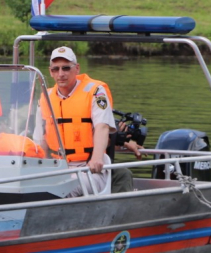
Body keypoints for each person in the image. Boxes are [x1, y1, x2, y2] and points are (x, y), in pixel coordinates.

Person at [40, 47, 140, 195]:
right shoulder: (45, 96)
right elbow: (40, 137)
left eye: (66, 68)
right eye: (56, 69)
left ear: (77, 68)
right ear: (50, 72)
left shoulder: (96, 91)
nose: (61, 74)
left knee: (63, 190)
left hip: (90, 168)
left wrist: (97, 158)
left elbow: (102, 127)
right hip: (57, 167)